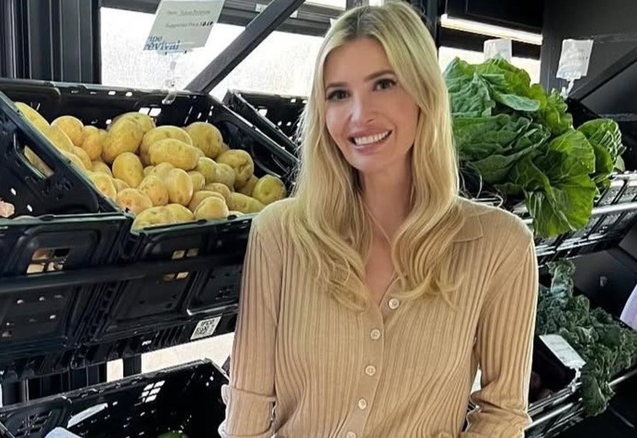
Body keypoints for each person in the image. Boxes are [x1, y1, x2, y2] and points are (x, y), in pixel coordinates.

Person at [219, 1, 539, 438]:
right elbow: (248, 409)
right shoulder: (279, 234)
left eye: (383, 84)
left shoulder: (500, 246)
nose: (359, 114)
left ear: (424, 93)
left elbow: (502, 416)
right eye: (338, 94)